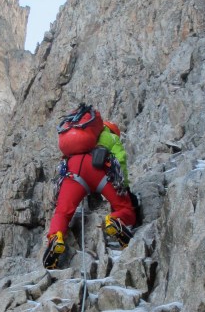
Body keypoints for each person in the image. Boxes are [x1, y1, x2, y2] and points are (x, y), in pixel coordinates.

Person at [43, 103, 137, 269]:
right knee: (125, 208)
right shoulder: (111, 137)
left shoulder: (83, 137)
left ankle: (56, 237)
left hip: (73, 169)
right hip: (99, 171)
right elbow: (120, 161)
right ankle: (114, 220)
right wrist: (123, 186)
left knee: (62, 212)